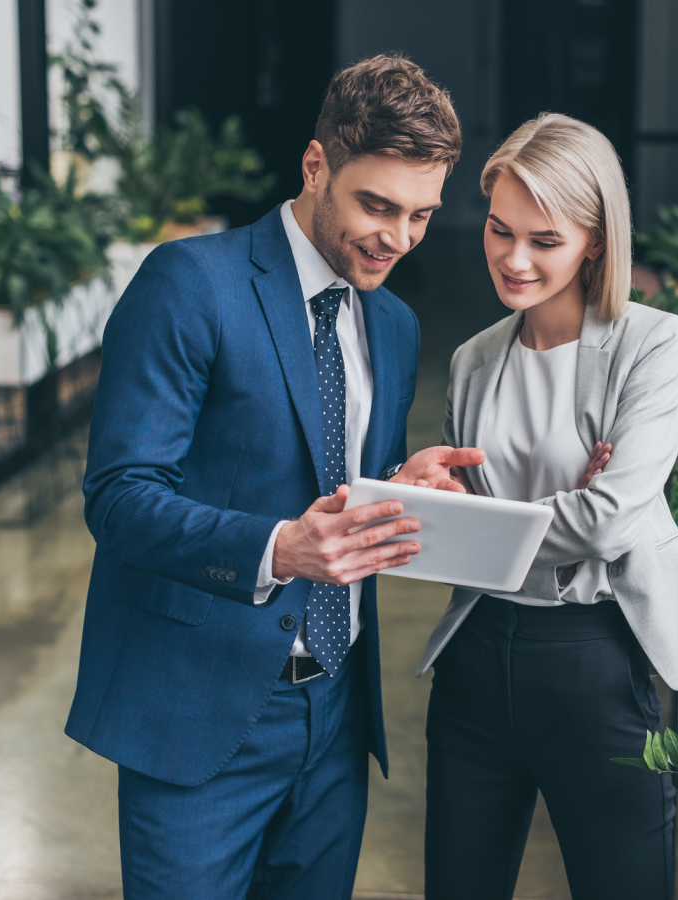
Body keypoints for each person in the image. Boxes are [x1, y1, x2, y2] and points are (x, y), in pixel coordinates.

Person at [65, 54, 484, 900]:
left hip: (333, 715)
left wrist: (401, 483)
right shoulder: (188, 284)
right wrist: (280, 548)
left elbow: (336, 482)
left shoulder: (394, 325)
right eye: (377, 206)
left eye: (422, 216)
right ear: (316, 164)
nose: (397, 239)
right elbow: (119, 497)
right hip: (200, 711)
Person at [419, 113, 678, 900]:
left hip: (594, 657)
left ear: (595, 239)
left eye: (544, 240)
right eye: (499, 230)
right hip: (477, 657)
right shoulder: (473, 360)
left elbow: (608, 522)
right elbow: (468, 525)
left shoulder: (654, 345)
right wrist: (570, 503)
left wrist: (536, 517)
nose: (513, 259)